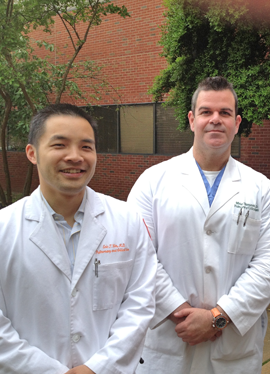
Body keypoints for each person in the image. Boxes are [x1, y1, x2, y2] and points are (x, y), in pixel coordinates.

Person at [127, 76, 270, 374]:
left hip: (233, 350)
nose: (216, 120)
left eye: (225, 113)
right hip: (168, 342)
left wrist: (218, 317)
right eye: (206, 112)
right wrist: (179, 311)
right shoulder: (152, 182)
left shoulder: (261, 188)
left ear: (237, 122)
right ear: (192, 119)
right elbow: (138, 255)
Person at [0, 104, 157, 374]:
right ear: (32, 153)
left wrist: (97, 368)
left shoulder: (127, 221)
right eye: (59, 145)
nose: (75, 157)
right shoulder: (4, 228)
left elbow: (140, 304)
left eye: (86, 147)